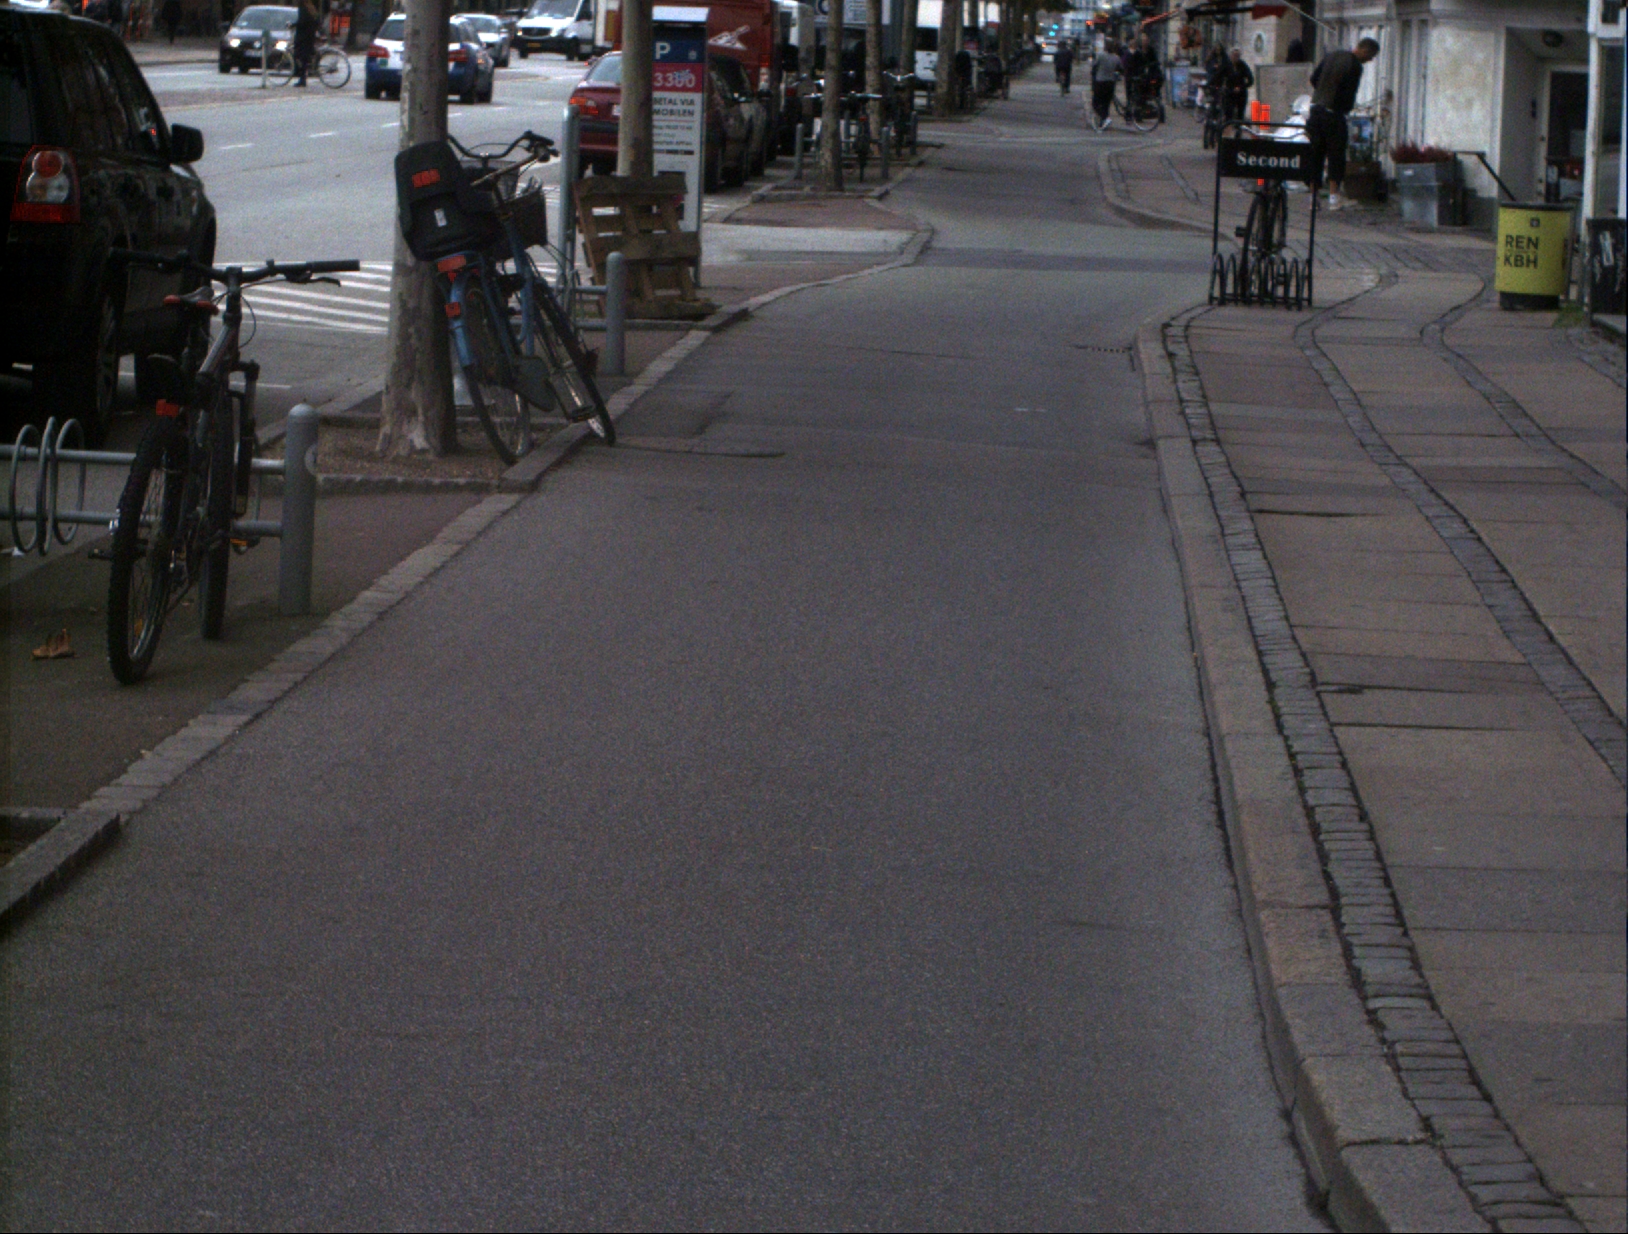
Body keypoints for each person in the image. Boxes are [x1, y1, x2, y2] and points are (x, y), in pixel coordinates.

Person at [1307, 36, 1379, 209]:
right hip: (1334, 113)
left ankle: (1313, 198)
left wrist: (1322, 93)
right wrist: (1345, 107)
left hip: (1316, 110)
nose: (1370, 60)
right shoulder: (1355, 65)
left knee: (1315, 154)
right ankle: (1334, 197)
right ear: (1364, 50)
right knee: (1336, 155)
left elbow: (1314, 78)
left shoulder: (1331, 56)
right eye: (1370, 56)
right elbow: (1349, 92)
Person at [1124, 33, 1163, 118]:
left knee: (1155, 89)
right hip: (1140, 75)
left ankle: (1156, 107)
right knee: (1136, 93)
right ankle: (1134, 113)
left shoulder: (1151, 50)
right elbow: (1135, 63)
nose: (1145, 42)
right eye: (1143, 41)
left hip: (1150, 75)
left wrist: (1150, 66)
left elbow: (1155, 61)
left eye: (1146, 40)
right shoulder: (1138, 51)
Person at [1090, 39, 1121, 128]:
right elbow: (1120, 69)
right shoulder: (1116, 58)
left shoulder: (1101, 55)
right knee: (1106, 104)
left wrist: (1093, 74)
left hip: (1100, 82)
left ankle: (1105, 118)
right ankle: (1103, 121)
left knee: (1095, 103)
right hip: (1110, 83)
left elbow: (1094, 66)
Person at [1222, 47, 1253, 123]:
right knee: (1228, 112)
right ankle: (1228, 126)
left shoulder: (1243, 65)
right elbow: (1219, 76)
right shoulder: (1226, 65)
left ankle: (1238, 127)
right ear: (1230, 56)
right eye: (1234, 55)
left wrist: (1241, 87)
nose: (1236, 58)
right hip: (1230, 92)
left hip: (1241, 93)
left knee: (1240, 114)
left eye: (1237, 56)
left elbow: (1250, 80)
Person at [292, 0, 319, 87]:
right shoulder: (311, 8)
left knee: (299, 55)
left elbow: (302, 22)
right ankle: (303, 75)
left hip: (303, 37)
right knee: (305, 57)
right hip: (310, 36)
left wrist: (293, 25)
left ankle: (302, 78)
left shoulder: (303, 8)